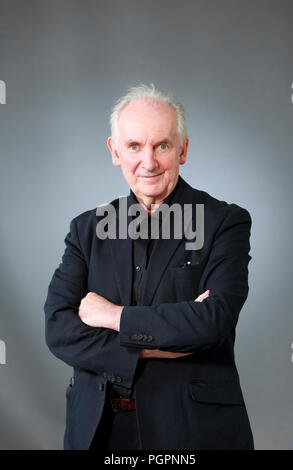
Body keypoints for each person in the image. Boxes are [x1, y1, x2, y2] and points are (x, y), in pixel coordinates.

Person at [44, 84, 255, 450]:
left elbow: (212, 321)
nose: (149, 162)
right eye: (134, 146)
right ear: (115, 152)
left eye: (162, 145)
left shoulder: (224, 222)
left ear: (183, 149)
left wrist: (114, 317)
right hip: (97, 431)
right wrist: (157, 344)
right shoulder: (85, 230)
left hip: (191, 431)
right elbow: (59, 329)